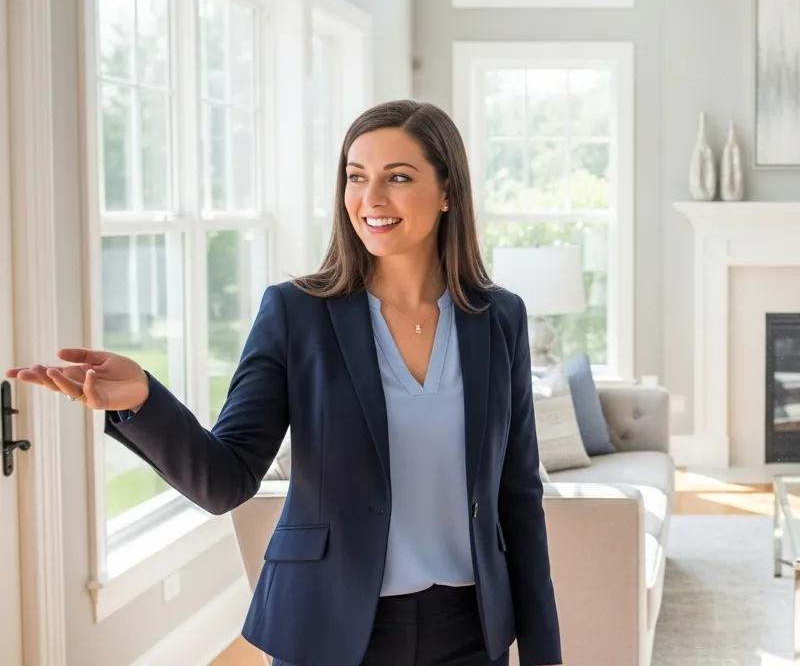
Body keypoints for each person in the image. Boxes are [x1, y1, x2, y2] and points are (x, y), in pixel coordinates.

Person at [7, 100, 562, 666]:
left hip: (468, 628)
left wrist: (545, 654)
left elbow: (517, 495)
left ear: (447, 192)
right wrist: (144, 401)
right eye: (356, 177)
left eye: (398, 178)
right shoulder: (297, 313)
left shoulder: (497, 319)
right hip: (329, 624)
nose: (371, 199)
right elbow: (225, 480)